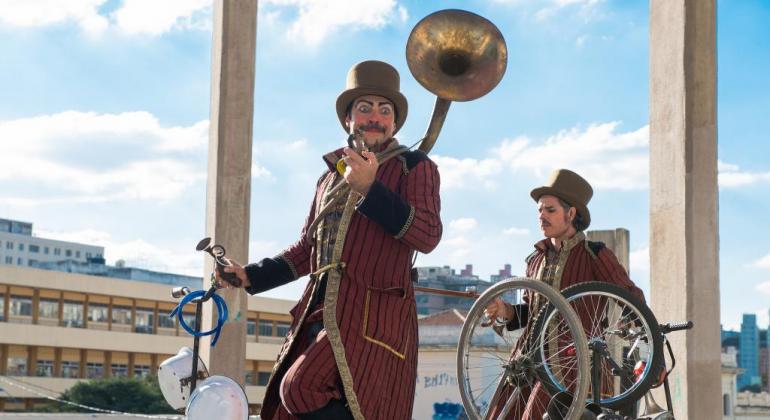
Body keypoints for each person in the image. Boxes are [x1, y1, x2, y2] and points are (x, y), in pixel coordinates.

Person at [216, 60, 442, 420]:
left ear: (395, 123)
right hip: (321, 312)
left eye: (385, 111)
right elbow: (308, 248)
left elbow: (428, 234)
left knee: (299, 389)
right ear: (348, 120)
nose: (375, 117)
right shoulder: (329, 177)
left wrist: (371, 189)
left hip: (375, 320)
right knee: (281, 410)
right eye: (364, 108)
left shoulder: (414, 166)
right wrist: (251, 275)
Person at [485, 168, 644, 419]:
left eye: (550, 210)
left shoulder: (594, 254)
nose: (541, 216)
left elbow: (630, 297)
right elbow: (534, 315)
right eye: (539, 210)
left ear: (571, 214)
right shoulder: (535, 260)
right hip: (529, 363)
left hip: (575, 367)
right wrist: (505, 311)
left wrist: (649, 345)